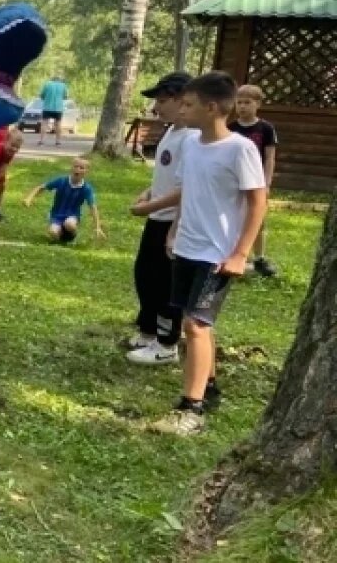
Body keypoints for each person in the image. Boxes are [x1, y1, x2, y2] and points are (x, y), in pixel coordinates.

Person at [153, 71, 267, 436]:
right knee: (196, 321)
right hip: (187, 246)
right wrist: (174, 230)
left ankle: (191, 410)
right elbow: (190, 191)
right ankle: (210, 385)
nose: (182, 110)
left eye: (189, 104)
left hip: (217, 254)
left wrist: (241, 253)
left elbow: (257, 201)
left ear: (212, 107)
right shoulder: (191, 146)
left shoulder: (240, 149)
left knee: (195, 326)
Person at [126, 72, 196, 365]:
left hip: (172, 221)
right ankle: (148, 330)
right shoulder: (170, 131)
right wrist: (148, 193)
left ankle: (167, 343)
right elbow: (167, 176)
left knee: (166, 284)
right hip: (157, 215)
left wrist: (153, 205)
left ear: (183, 100)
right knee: (145, 274)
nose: (157, 107)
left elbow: (187, 188)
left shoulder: (192, 138)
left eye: (163, 100)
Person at [228, 84, 278, 277]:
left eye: (247, 102)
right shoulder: (231, 128)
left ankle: (259, 258)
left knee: (258, 220)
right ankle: (235, 254)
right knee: (235, 217)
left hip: (256, 181)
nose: (242, 107)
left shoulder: (266, 129)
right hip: (235, 181)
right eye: (238, 102)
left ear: (257, 104)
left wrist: (266, 183)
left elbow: (270, 157)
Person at [23, 158, 105, 243]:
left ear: (86, 172)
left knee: (69, 224)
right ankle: (61, 236)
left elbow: (93, 207)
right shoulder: (61, 181)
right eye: (76, 166)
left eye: (81, 168)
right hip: (56, 215)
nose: (78, 169)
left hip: (72, 216)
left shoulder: (86, 188)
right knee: (53, 232)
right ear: (71, 168)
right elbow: (42, 187)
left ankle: (72, 236)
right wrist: (29, 198)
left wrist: (97, 227)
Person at [37, 75, 68, 146]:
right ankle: (58, 141)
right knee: (58, 124)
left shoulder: (47, 84)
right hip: (58, 108)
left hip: (47, 107)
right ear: (59, 80)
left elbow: (42, 95)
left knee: (44, 124)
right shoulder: (63, 85)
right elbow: (65, 97)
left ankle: (41, 140)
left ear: (52, 79)